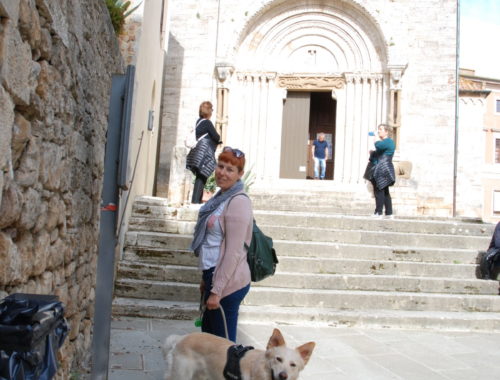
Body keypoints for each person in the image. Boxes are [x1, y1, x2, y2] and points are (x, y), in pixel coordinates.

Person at [190, 147, 253, 342]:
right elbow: (212, 244)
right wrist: (205, 278)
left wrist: (217, 291)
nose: (222, 172)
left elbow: (233, 252)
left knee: (222, 347)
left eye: (230, 169)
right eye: (221, 166)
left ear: (240, 175)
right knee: (209, 343)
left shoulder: (238, 202)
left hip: (228, 283)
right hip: (213, 275)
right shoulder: (220, 198)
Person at [191, 101, 221, 204]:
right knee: (202, 175)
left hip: (198, 153)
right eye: (211, 110)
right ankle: (195, 201)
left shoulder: (198, 121)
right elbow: (216, 136)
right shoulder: (207, 123)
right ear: (208, 111)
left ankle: (196, 200)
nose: (212, 112)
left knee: (200, 175)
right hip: (204, 154)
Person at [370, 124, 396, 218]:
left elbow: (378, 145)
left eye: (381, 129)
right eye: (378, 129)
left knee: (379, 190)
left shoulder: (388, 141)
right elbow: (376, 156)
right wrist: (372, 153)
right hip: (382, 168)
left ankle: (378, 212)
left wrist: (376, 137)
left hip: (383, 168)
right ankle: (389, 213)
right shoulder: (384, 143)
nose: (379, 131)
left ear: (386, 131)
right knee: (385, 191)